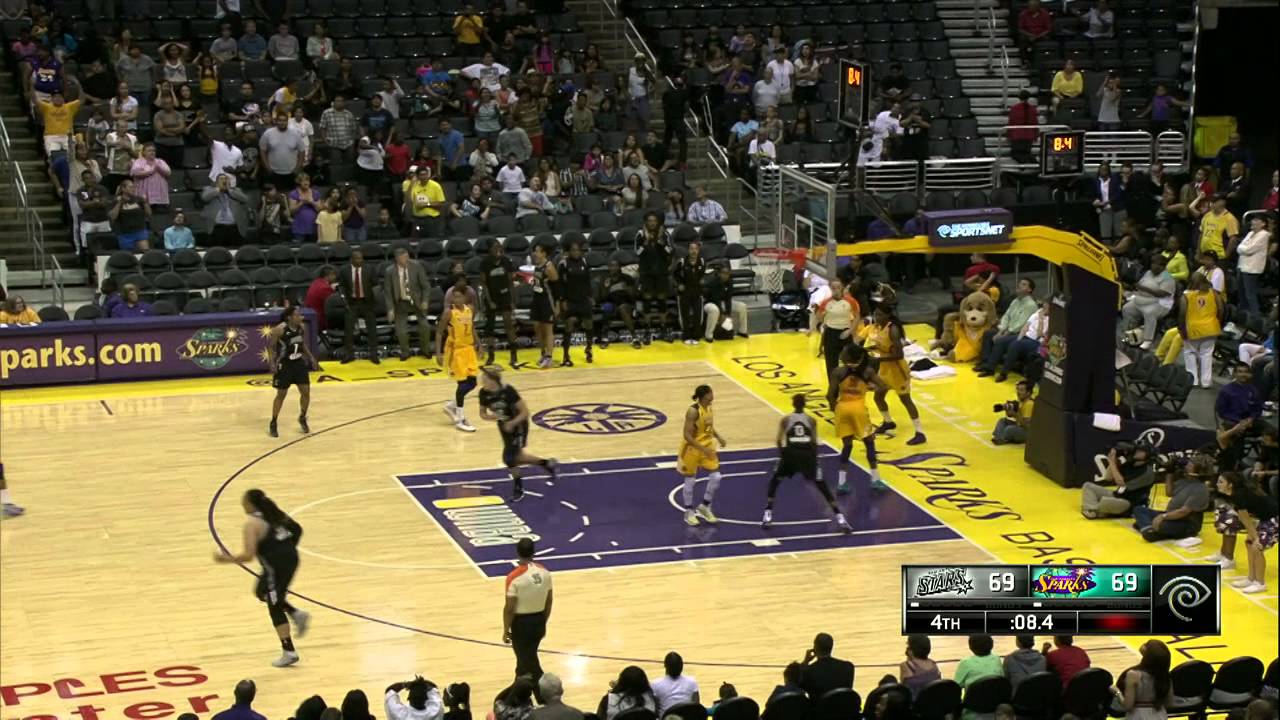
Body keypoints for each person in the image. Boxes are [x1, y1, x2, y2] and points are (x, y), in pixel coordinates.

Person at [212, 489, 311, 667]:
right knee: (261, 591)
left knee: (274, 605)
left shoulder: (252, 524)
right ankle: (296, 613)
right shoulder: (274, 514)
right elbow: (297, 529)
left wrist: (223, 559)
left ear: (249, 504)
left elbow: (247, 555)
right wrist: (287, 546)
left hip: (277, 566)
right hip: (290, 559)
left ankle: (289, 651)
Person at [762, 394, 850, 531]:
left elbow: (779, 441)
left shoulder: (786, 420)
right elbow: (814, 442)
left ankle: (767, 515)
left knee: (775, 481)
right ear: (804, 404)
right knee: (823, 487)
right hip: (807, 456)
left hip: (790, 455)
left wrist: (783, 455)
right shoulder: (811, 420)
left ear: (793, 404)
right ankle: (840, 519)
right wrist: (815, 460)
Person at [478, 366, 559, 503]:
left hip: (519, 425)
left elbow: (525, 412)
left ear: (493, 380)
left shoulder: (508, 391)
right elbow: (482, 414)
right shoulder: (483, 393)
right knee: (518, 457)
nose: (481, 381)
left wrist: (512, 423)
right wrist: (495, 417)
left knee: (509, 458)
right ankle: (546, 463)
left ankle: (518, 487)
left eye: (484, 379)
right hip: (504, 425)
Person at [829, 344, 888, 493]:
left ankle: (841, 483)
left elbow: (830, 395)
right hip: (859, 409)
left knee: (847, 446)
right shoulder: (867, 371)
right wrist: (869, 387)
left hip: (842, 408)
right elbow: (883, 386)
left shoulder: (838, 371)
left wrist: (834, 407)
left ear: (847, 357)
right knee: (869, 443)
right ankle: (875, 480)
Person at [864, 304, 926, 444]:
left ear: (888, 315)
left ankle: (920, 432)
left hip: (897, 369)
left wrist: (877, 358)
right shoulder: (879, 328)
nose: (877, 317)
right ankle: (888, 422)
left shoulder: (893, 329)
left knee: (905, 400)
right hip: (885, 368)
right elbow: (883, 345)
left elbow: (899, 355)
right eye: (875, 314)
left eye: (880, 315)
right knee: (878, 396)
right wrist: (869, 349)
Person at [502, 536, 553, 686]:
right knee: (523, 662)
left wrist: (506, 629)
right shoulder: (545, 572)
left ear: (517, 552)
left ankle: (545, 696)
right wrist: (543, 621)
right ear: (533, 552)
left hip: (522, 624)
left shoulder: (513, 577)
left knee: (530, 664)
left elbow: (510, 608)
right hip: (539, 621)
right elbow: (549, 601)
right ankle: (517, 693)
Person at [1216, 472, 1278, 594]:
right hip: (1264, 518)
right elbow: (1250, 517)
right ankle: (1251, 578)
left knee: (1257, 547)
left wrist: (1256, 538)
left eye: (1221, 482)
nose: (1217, 484)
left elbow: (1246, 520)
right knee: (1249, 543)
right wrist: (1253, 536)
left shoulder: (1239, 496)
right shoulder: (1235, 495)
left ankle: (1260, 583)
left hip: (1275, 518)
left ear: (1230, 485)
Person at [678, 384, 728, 526]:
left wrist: (718, 437)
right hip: (691, 449)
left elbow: (709, 427)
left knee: (716, 477)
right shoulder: (693, 411)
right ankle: (688, 512)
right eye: (711, 392)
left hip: (707, 447)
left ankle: (705, 506)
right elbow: (687, 435)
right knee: (690, 481)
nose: (713, 394)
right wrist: (701, 448)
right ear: (705, 395)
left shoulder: (709, 408)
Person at [266, 305, 319, 436]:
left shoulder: (301, 327)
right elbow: (271, 347)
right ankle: (273, 422)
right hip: (285, 364)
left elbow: (302, 344)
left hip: (299, 363)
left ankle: (302, 417)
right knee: (281, 394)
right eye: (297, 315)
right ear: (289, 317)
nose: (300, 316)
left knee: (306, 392)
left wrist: (311, 358)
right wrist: (272, 363)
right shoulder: (279, 330)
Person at [437, 289, 481, 433]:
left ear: (465, 297)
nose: (457, 300)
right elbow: (438, 332)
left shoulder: (470, 310)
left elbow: (472, 328)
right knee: (462, 384)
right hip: (456, 351)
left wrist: (479, 344)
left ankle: (451, 406)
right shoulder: (449, 313)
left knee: (473, 382)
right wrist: (438, 353)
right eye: (454, 297)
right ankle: (460, 418)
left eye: (459, 296)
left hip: (468, 349)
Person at [384, 247, 433, 361]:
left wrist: (425, 301)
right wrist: (390, 309)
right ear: (397, 259)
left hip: (417, 301)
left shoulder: (417, 266)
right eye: (404, 258)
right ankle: (405, 352)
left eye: (407, 257)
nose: (407, 260)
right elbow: (387, 293)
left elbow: (426, 286)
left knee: (425, 326)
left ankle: (425, 349)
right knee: (401, 330)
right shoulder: (389, 271)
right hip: (401, 301)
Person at [1178, 272, 1224, 389]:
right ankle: (1206, 382)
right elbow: (1221, 309)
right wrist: (1217, 322)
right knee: (1207, 354)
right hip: (1210, 327)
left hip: (1193, 328)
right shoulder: (1213, 293)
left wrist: (1182, 329)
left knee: (1190, 353)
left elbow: (1182, 314)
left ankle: (1193, 380)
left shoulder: (1186, 296)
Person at [1121, 255, 1176, 349]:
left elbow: (1161, 294)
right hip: (1143, 299)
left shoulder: (1167, 277)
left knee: (1149, 313)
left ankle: (1147, 340)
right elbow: (1140, 285)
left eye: (1156, 264)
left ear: (1162, 266)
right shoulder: (1148, 273)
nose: (1153, 266)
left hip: (1160, 303)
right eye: (1152, 263)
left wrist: (1144, 289)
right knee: (1127, 309)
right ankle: (1129, 333)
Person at [635, 212, 674, 343]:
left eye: (654, 221)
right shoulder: (640, 234)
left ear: (658, 222)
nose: (652, 223)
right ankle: (647, 331)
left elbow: (670, 250)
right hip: (646, 273)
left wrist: (660, 242)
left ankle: (664, 330)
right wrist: (646, 242)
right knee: (647, 301)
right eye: (649, 220)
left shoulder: (665, 234)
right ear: (646, 222)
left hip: (661, 272)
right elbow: (637, 252)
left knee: (662, 301)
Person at [480, 240, 520, 367]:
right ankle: (491, 355)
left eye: (499, 246)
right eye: (495, 247)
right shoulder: (485, 263)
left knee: (508, 324)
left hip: (504, 296)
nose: (498, 249)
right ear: (489, 250)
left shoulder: (506, 262)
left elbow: (510, 283)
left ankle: (514, 355)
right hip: (491, 296)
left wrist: (513, 300)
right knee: (490, 326)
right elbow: (484, 285)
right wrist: (490, 301)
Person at [556, 241, 595, 366]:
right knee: (569, 324)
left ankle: (589, 349)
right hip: (570, 300)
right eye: (573, 250)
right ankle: (566, 355)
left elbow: (588, 281)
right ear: (568, 252)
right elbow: (560, 284)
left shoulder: (584, 262)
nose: (576, 252)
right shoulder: (564, 264)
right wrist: (562, 300)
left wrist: (590, 296)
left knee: (589, 325)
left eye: (578, 250)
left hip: (583, 300)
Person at [1113, 640, 1172, 719]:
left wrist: (1116, 692)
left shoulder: (1133, 674)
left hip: (1138, 716)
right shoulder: (1165, 675)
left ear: (1147, 657)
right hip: (1160, 715)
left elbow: (1128, 706)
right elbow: (1169, 703)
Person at [340, 249, 380, 364]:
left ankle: (373, 354)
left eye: (361, 258)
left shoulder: (369, 269)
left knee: (372, 329)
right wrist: (343, 299)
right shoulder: (344, 270)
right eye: (357, 258)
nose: (359, 261)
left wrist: (374, 296)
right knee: (349, 330)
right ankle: (349, 354)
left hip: (367, 302)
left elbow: (376, 284)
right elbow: (342, 285)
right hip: (352, 303)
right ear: (352, 259)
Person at [528, 243, 559, 369]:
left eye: (538, 251)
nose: (535, 253)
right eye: (535, 251)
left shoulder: (549, 267)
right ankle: (543, 353)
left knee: (548, 329)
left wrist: (557, 305)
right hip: (537, 299)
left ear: (544, 253)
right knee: (537, 327)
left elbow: (557, 287)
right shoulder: (537, 266)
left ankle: (549, 357)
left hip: (547, 300)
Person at [1232, 214, 1270, 314]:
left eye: (1256, 220)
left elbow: (1249, 249)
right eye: (1253, 220)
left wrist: (1242, 249)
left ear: (1263, 224)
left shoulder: (1264, 235)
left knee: (1250, 294)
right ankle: (1244, 316)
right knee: (1242, 293)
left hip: (1252, 269)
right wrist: (1242, 249)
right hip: (1241, 266)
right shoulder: (1250, 233)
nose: (1252, 222)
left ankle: (1255, 317)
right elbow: (1239, 247)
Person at [800, 633, 855, 699]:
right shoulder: (848, 667)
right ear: (831, 647)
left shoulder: (808, 672)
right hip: (843, 708)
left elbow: (796, 685)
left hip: (818, 708)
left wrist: (805, 662)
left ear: (815, 648)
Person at [672, 240, 706, 345]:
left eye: (695, 249)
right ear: (688, 250)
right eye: (691, 249)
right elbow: (674, 274)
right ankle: (686, 336)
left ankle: (696, 336)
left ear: (698, 250)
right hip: (685, 292)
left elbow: (704, 274)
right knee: (684, 315)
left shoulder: (702, 261)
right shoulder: (682, 261)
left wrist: (702, 280)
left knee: (697, 316)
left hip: (697, 292)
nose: (693, 251)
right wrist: (679, 284)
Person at [702, 264, 748, 341]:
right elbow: (715, 299)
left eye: (727, 273)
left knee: (742, 306)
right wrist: (722, 315)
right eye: (723, 273)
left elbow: (728, 299)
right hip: (709, 303)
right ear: (719, 273)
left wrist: (728, 314)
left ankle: (742, 331)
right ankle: (708, 335)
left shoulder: (730, 282)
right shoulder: (714, 282)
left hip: (722, 302)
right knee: (715, 310)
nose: (725, 275)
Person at [992, 380, 1036, 446]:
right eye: (1017, 389)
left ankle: (1001, 437)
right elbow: (1010, 416)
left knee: (1009, 429)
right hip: (1020, 426)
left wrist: (1015, 415)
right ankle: (1001, 438)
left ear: (1028, 393)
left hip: (1029, 433)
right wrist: (1008, 410)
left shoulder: (1029, 404)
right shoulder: (1021, 400)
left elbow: (1027, 426)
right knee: (1002, 421)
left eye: (1021, 390)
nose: (1018, 392)